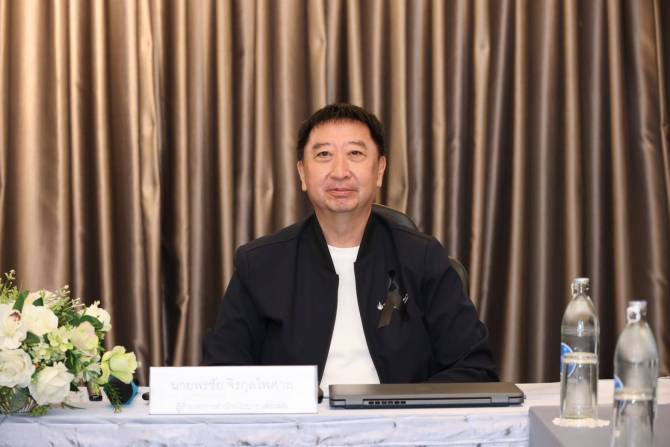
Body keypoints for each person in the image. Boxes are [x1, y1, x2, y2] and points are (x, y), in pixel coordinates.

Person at [202, 104, 498, 389]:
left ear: (379, 169)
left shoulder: (421, 258)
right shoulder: (261, 265)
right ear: (303, 173)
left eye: (355, 153)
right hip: (298, 421)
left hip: (400, 421)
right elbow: (223, 371)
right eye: (324, 154)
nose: (340, 171)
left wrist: (404, 409)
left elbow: (474, 368)